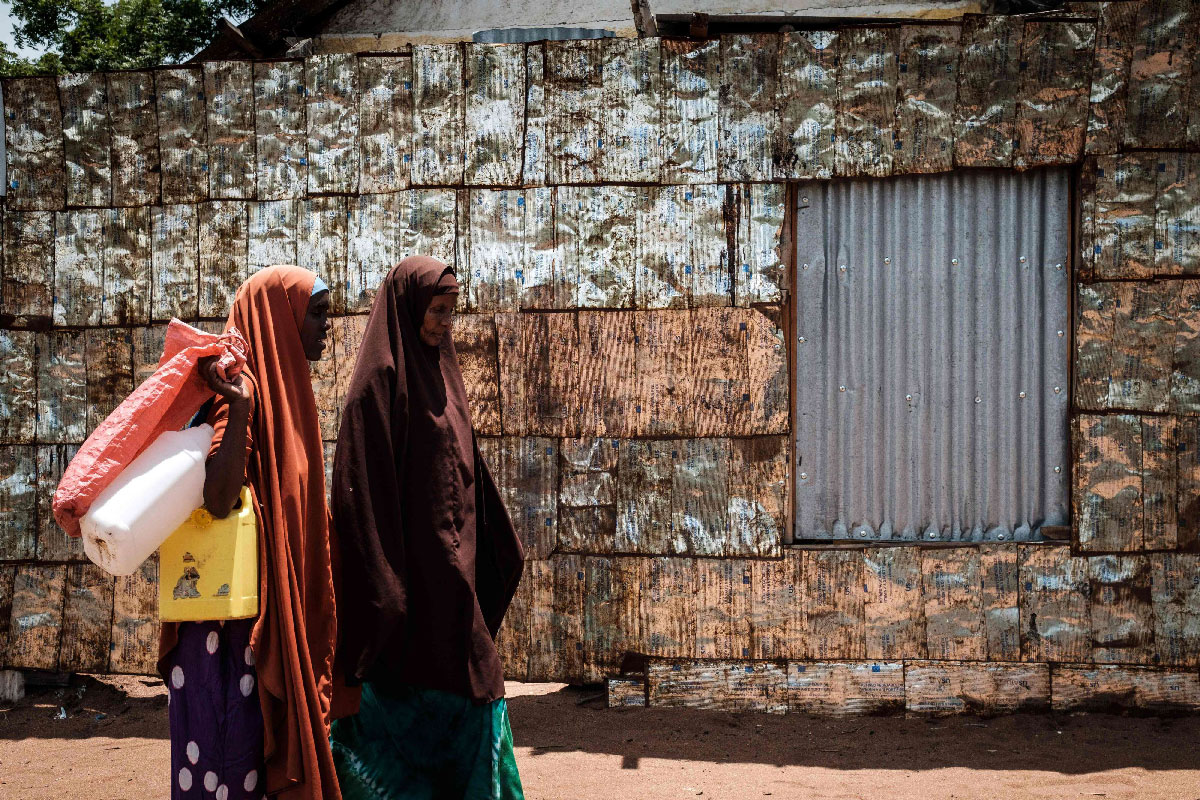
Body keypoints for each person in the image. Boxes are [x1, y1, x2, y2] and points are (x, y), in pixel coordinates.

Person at [329, 256, 526, 799]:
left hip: (452, 576)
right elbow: (360, 495)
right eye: (436, 311)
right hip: (407, 586)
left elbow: (464, 467)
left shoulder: (443, 372)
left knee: (477, 686)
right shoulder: (375, 389)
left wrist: (494, 550)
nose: (444, 323)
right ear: (408, 307)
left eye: (451, 312)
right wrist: (384, 595)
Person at [159, 265, 357, 800]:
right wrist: (241, 407)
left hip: (257, 619)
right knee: (228, 764)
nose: (325, 328)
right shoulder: (231, 389)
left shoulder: (289, 395)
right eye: (316, 315)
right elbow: (219, 499)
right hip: (222, 632)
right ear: (279, 320)